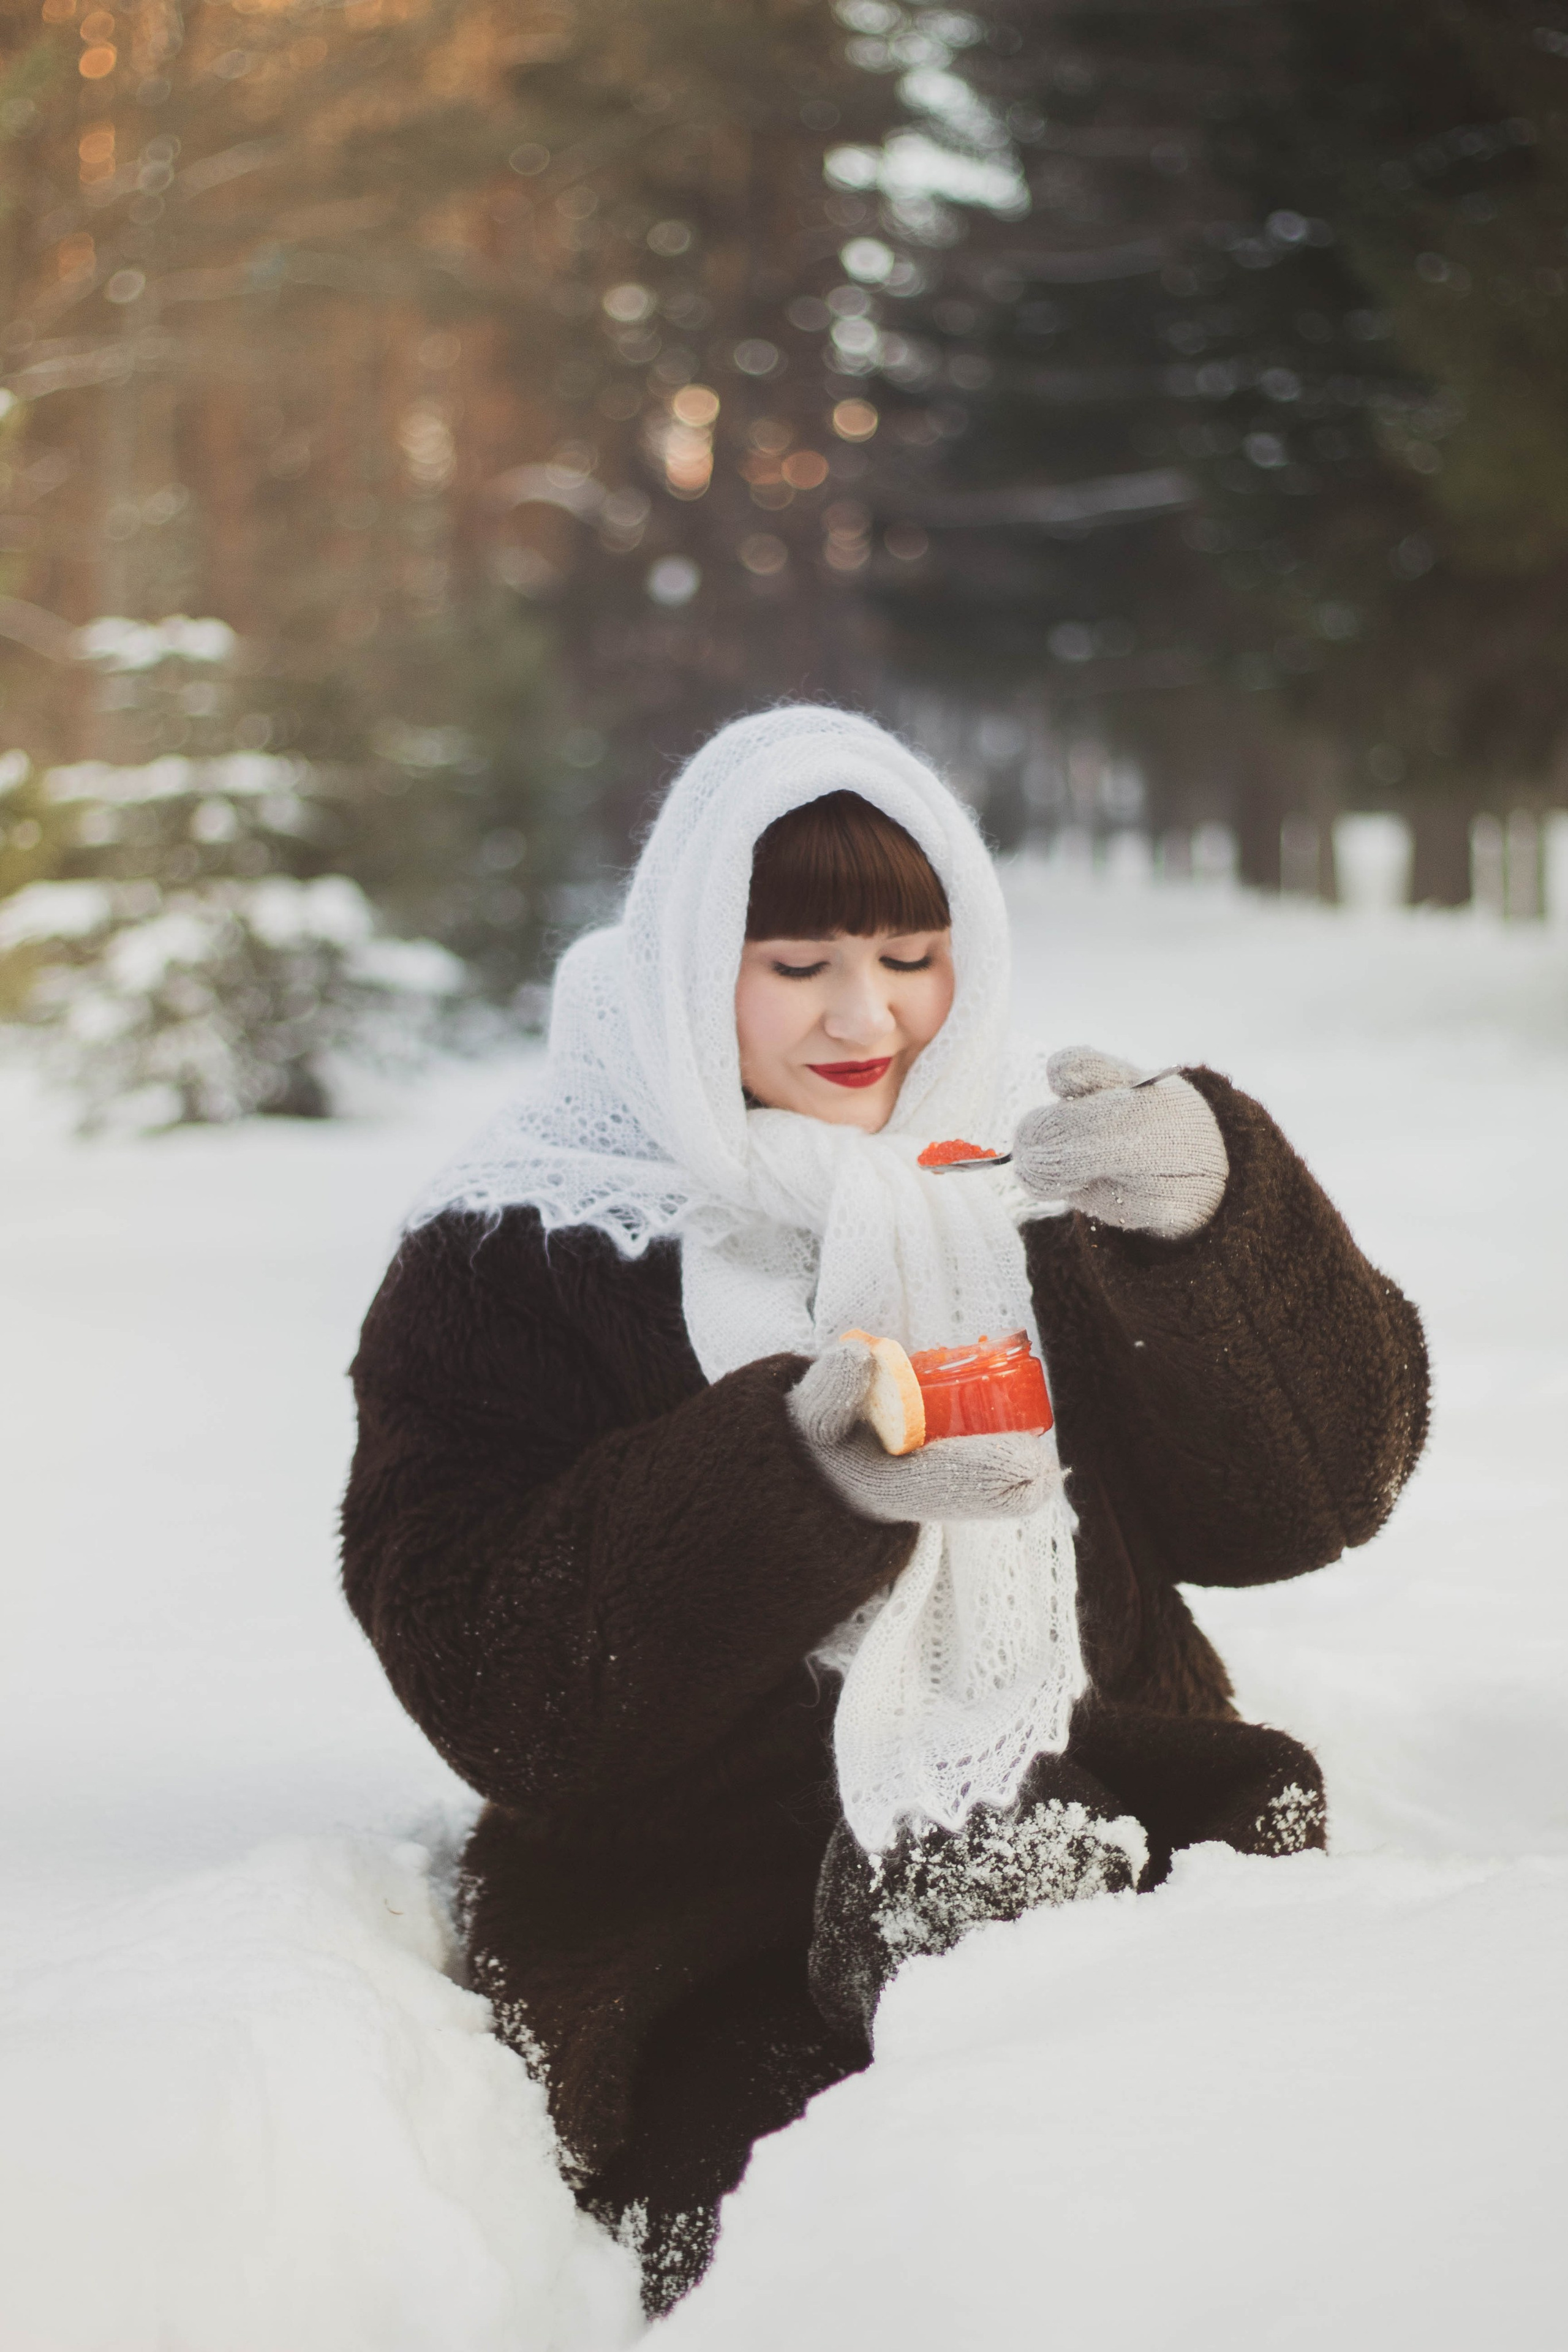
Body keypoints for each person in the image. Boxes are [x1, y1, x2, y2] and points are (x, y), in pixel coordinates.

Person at [342, 707, 1428, 2313]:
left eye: (914, 955)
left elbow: (1312, 1499)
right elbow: (488, 1673)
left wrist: (1214, 1232)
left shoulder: (1039, 1181)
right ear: (690, 963)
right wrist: (788, 1482)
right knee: (865, 2256)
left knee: (1256, 2223)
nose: (871, 1014)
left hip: (1113, 1803)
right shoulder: (529, 1246)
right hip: (710, 1921)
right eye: (798, 965)